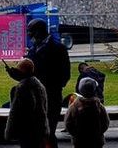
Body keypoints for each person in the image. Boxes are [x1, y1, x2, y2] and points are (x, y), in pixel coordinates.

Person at [25, 19, 71, 148]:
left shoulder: (58, 48)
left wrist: (53, 87)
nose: (29, 35)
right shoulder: (34, 48)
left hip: (51, 95)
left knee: (48, 133)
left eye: (31, 31)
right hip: (35, 96)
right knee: (37, 133)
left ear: (39, 31)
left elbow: (65, 73)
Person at [5, 59, 49, 148]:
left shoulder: (23, 88)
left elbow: (17, 112)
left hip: (27, 130)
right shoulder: (39, 85)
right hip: (40, 128)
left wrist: (10, 132)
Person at [64, 77, 110, 148]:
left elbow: (68, 123)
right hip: (96, 140)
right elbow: (106, 122)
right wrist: (99, 133)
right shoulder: (98, 106)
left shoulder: (74, 106)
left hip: (79, 140)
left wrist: (75, 134)